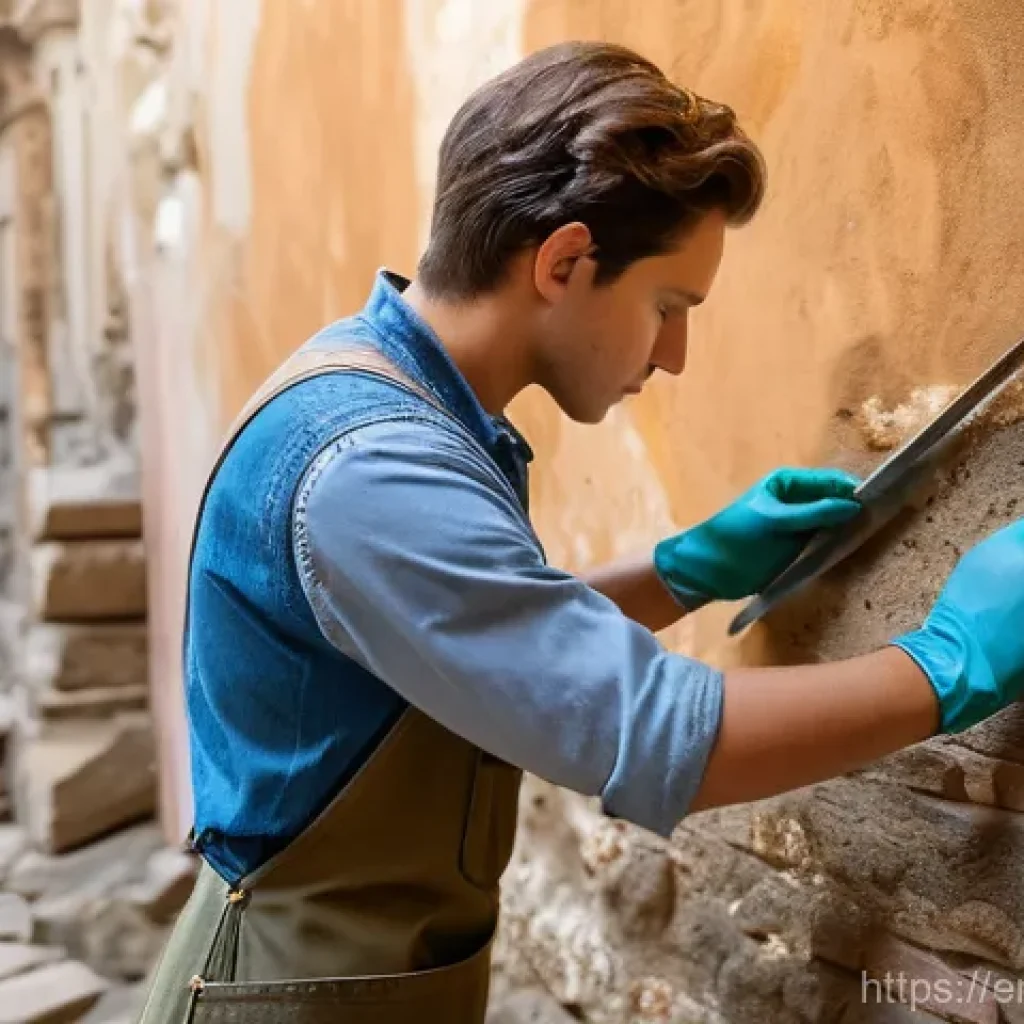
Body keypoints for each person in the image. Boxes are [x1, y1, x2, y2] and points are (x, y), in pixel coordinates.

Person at [137, 40, 1024, 1024]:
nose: (675, 354)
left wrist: (682, 569)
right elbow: (649, 737)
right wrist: (945, 664)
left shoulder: (392, 396)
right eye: (667, 305)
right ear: (562, 260)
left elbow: (478, 642)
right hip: (291, 993)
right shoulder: (374, 470)